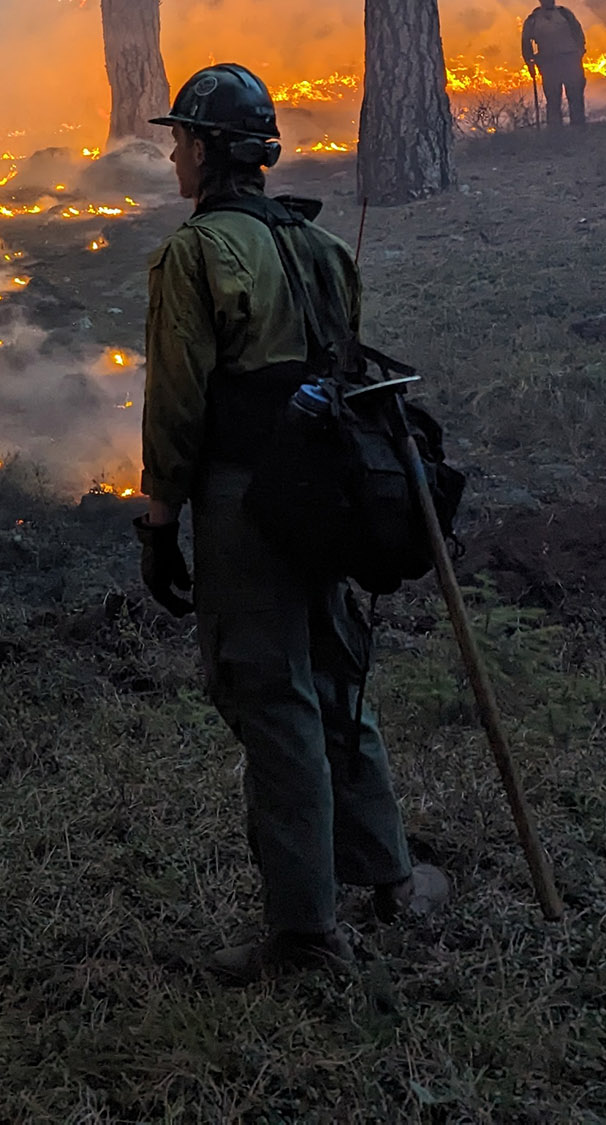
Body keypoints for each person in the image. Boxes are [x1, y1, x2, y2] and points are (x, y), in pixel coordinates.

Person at [135, 64, 449, 982]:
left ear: (210, 152)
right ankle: (388, 873)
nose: (173, 156)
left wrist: (160, 518)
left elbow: (179, 401)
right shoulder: (322, 248)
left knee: (272, 697)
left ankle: (306, 934)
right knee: (335, 671)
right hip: (327, 493)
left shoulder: (195, 254)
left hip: (247, 502)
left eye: (181, 140)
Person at [520, 0, 587, 127]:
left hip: (569, 61)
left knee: (575, 97)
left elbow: (578, 33)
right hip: (549, 64)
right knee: (553, 100)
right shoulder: (533, 20)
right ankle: (556, 133)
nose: (548, 0)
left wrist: (579, 53)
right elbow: (526, 44)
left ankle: (579, 129)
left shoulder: (565, 14)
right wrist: (529, 63)